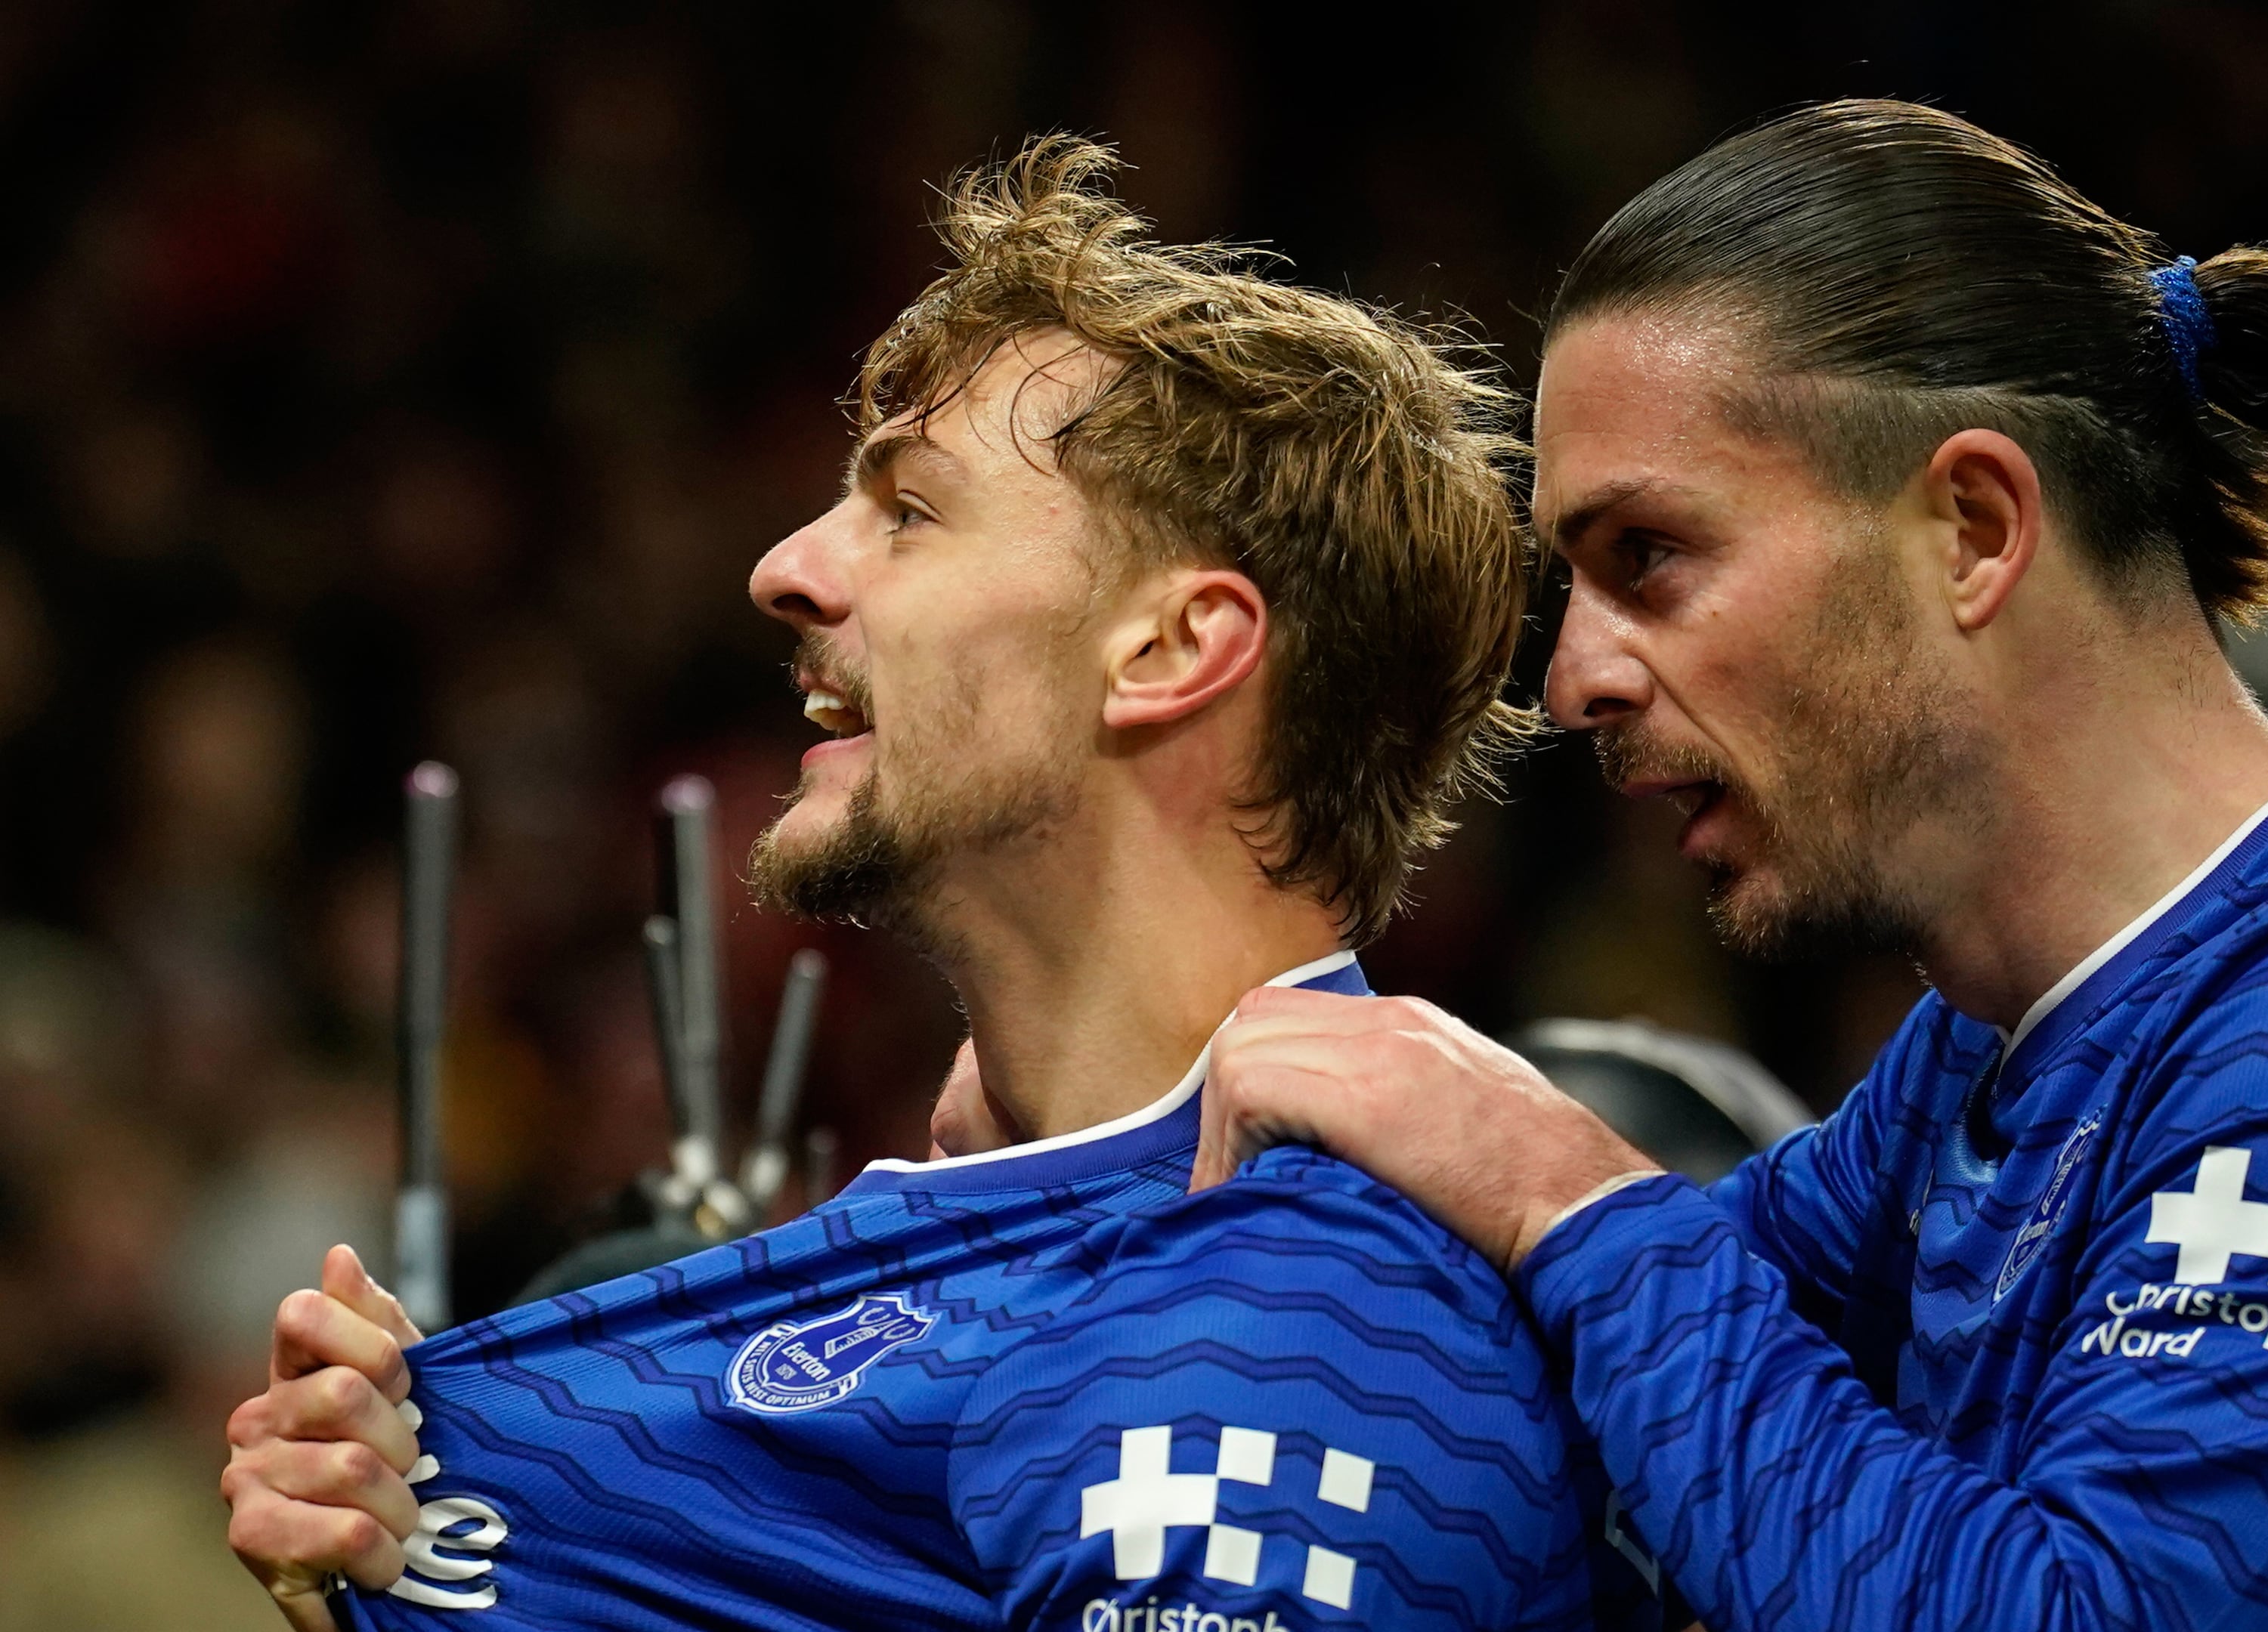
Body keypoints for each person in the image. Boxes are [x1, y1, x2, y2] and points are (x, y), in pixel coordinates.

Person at [1193, 100, 2268, 1630]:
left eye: (1648, 557)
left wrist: (1557, 1187)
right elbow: (1547, 1380)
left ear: (1976, 528)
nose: (1575, 678)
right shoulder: (1983, 1056)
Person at [220, 138, 1659, 1632]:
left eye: (909, 510)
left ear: (1171, 648)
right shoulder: (982, 1277)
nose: (787, 568)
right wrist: (433, 1569)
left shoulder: (1316, 1328)